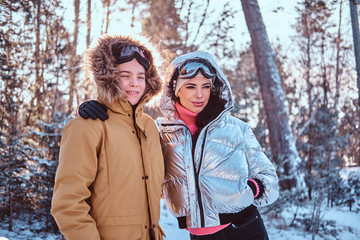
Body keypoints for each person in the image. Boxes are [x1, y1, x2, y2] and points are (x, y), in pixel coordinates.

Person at [79, 51, 279, 240]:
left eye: (206, 86)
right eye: (191, 86)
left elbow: (269, 179)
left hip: (244, 228)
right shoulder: (159, 132)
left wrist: (250, 189)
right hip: (199, 235)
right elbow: (127, 149)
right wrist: (103, 111)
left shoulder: (237, 129)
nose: (200, 94)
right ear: (175, 90)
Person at [51, 34, 165, 240]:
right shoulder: (87, 127)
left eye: (141, 76)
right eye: (124, 75)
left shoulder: (150, 127)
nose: (134, 83)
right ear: (109, 77)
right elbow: (67, 203)